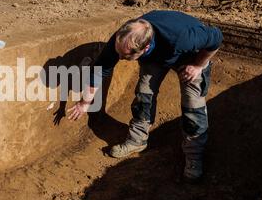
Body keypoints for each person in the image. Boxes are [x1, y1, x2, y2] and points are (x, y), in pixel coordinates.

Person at [67, 10, 223, 182]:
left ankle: (194, 155)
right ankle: (137, 140)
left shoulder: (183, 37)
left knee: (192, 105)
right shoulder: (123, 38)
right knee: (144, 96)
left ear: (145, 47)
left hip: (190, 57)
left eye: (126, 56)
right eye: (119, 53)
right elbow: (100, 69)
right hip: (156, 58)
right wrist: (84, 103)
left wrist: (198, 65)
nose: (120, 58)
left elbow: (216, 37)